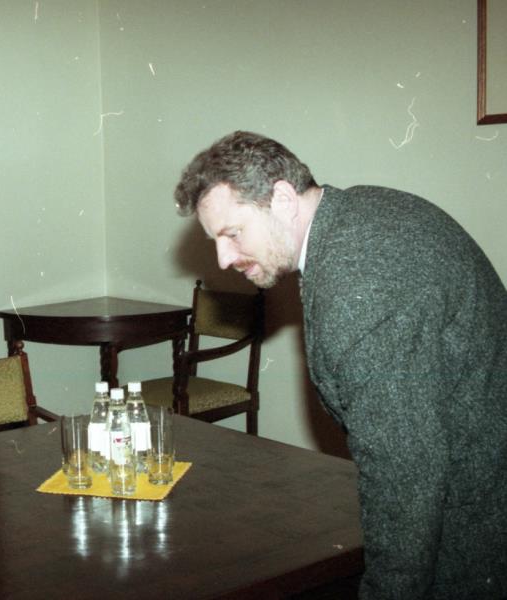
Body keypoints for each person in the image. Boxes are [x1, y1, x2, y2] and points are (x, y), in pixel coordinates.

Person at [174, 130, 507, 599]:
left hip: (477, 518)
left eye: (232, 233)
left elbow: (405, 474)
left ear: (283, 199)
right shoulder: (360, 212)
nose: (223, 259)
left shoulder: (357, 282)